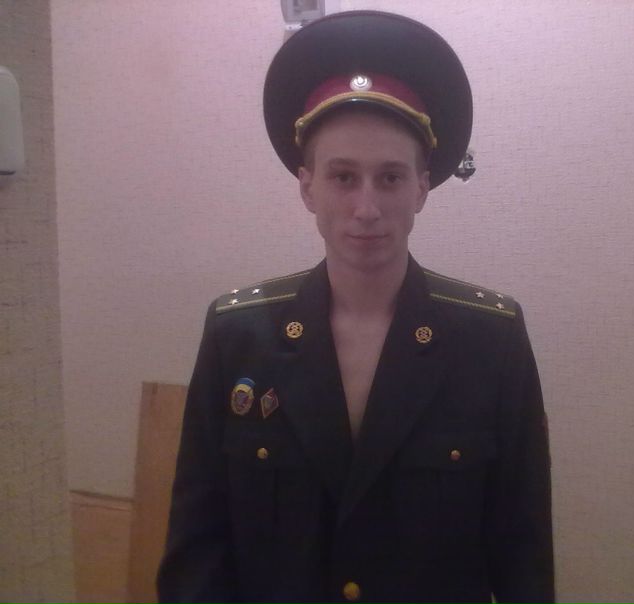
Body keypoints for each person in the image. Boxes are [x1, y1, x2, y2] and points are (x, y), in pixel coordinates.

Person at [157, 10, 553, 604]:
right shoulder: (237, 336)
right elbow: (197, 553)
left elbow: (523, 555)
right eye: (344, 178)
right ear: (307, 187)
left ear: (422, 188)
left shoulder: (490, 342)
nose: (367, 208)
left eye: (390, 178)